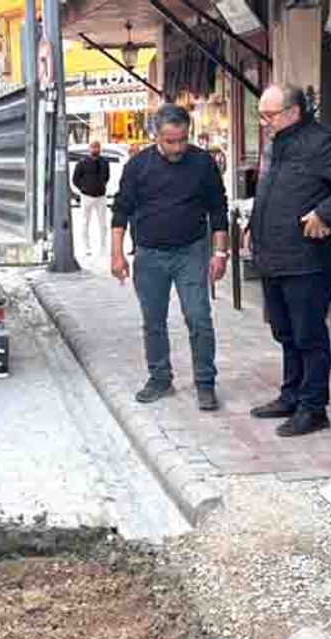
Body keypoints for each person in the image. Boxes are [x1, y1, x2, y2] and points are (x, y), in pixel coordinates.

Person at [247, 84, 331, 437]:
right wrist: (252, 227)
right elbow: (273, 192)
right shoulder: (279, 144)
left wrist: (325, 214)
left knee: (308, 335)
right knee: (284, 331)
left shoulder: (320, 143)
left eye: (269, 115)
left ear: (293, 113)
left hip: (305, 259)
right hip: (274, 255)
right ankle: (291, 395)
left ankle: (313, 407)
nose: (263, 122)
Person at [111, 103, 229, 412]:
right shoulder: (137, 167)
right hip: (149, 255)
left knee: (199, 317)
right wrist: (116, 255)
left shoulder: (203, 163)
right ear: (156, 136)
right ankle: (159, 378)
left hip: (191, 251)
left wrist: (219, 252)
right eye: (170, 141)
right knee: (153, 321)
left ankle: (205, 382)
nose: (177, 147)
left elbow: (218, 210)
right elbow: (120, 211)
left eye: (182, 139)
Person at [72, 141, 110, 256]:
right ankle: (86, 248)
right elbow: (75, 179)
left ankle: (103, 247)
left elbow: (107, 177)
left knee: (102, 224)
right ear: (89, 149)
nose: (95, 150)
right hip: (86, 196)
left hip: (101, 196)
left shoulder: (104, 162)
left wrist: (101, 185)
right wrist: (83, 188)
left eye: (97, 147)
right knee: (85, 223)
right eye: (93, 147)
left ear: (100, 149)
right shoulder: (82, 163)